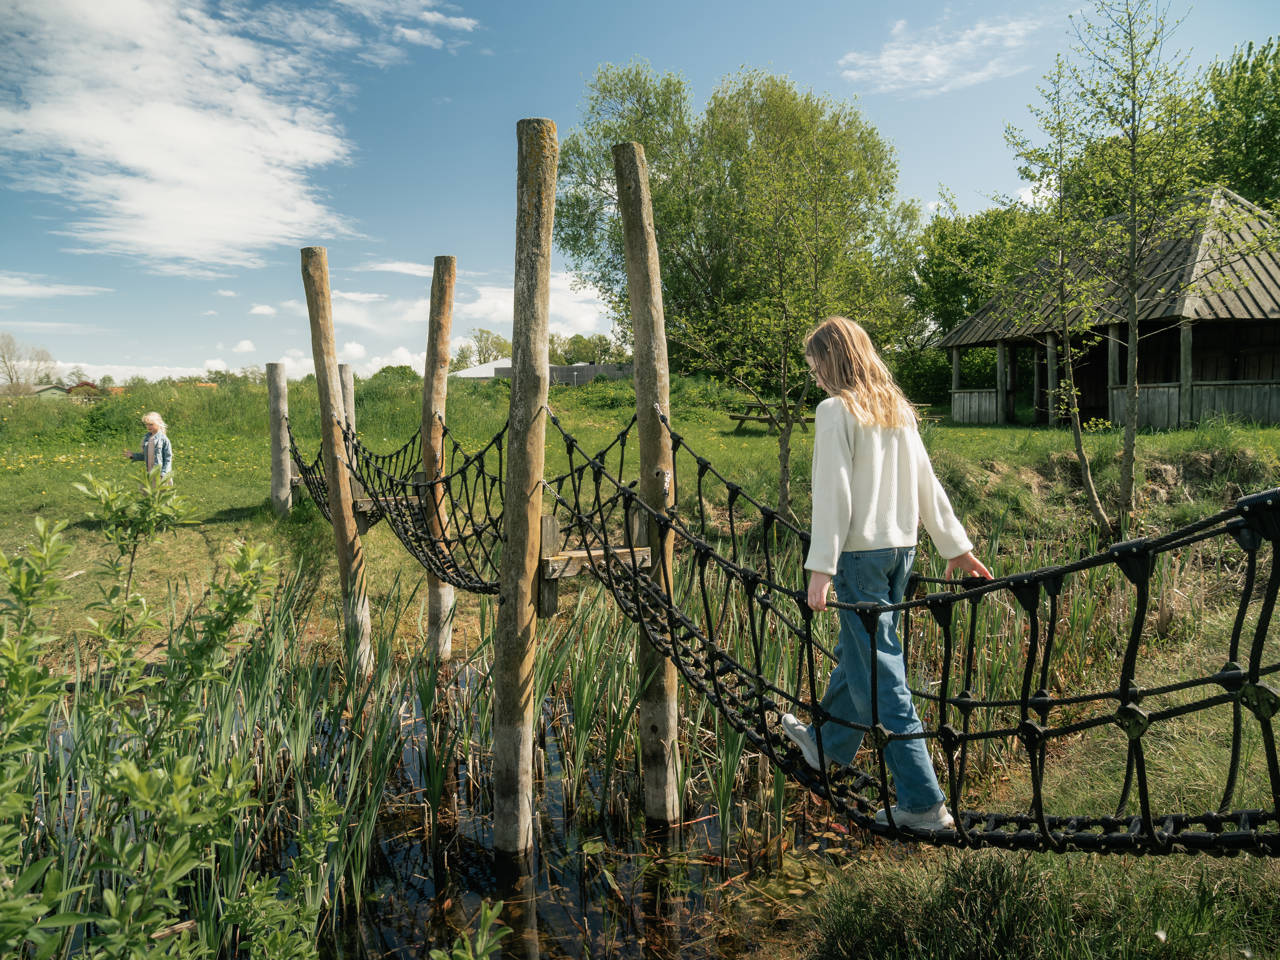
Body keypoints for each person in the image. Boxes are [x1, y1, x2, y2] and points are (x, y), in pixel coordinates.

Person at [781, 316, 991, 832]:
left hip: (858, 557)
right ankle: (827, 744)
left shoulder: (834, 411)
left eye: (815, 365)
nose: (814, 375)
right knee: (864, 656)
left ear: (832, 360)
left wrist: (821, 568)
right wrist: (956, 546)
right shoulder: (896, 409)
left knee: (881, 678)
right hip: (901, 552)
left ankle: (923, 803)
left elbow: (832, 493)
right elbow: (927, 483)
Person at [124, 411, 173, 483]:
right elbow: (145, 456)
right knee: (146, 489)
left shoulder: (163, 439)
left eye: (151, 424)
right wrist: (133, 456)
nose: (148, 427)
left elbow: (168, 458)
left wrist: (163, 473)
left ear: (158, 423)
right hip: (150, 473)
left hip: (160, 474)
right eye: (147, 424)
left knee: (160, 490)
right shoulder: (146, 439)